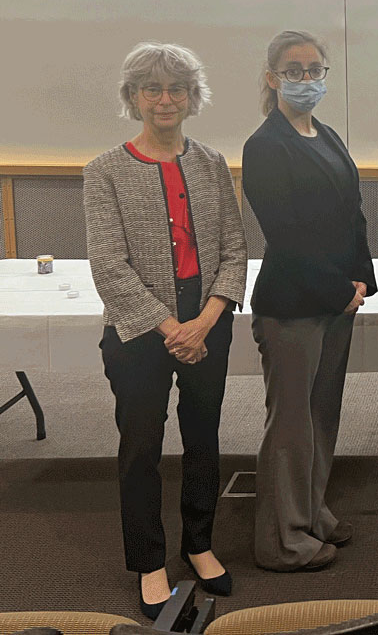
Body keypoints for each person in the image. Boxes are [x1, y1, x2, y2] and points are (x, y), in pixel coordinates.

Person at [84, 42, 247, 618]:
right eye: (150, 88)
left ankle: (199, 543)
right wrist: (169, 326)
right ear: (133, 97)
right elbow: (109, 264)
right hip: (137, 331)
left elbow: (234, 248)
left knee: (204, 438)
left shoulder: (211, 163)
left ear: (191, 96)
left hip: (208, 322)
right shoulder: (104, 170)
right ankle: (150, 560)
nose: (165, 99)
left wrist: (204, 320)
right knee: (141, 447)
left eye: (176, 87)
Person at [242, 30, 376, 570]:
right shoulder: (264, 146)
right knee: (292, 426)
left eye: (315, 70)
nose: (305, 79)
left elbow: (353, 212)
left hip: (338, 300)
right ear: (272, 77)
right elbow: (287, 235)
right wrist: (337, 290)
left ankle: (311, 511)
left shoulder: (327, 134)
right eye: (293, 70)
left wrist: (362, 279)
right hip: (294, 304)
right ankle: (282, 542)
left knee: (322, 417)